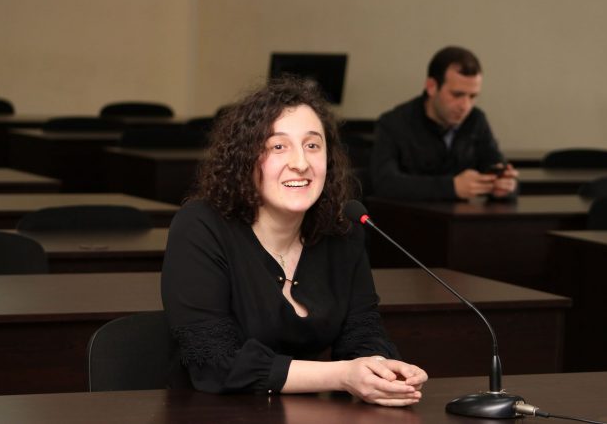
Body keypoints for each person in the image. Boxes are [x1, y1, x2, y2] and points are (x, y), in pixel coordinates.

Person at [161, 76, 428, 406]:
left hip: (304, 412)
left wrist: (379, 368)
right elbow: (216, 363)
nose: (301, 163)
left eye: (312, 146)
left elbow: (362, 330)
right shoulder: (201, 226)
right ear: (245, 158)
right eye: (278, 146)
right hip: (208, 413)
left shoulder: (342, 230)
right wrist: (342, 375)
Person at [370, 46, 519, 201]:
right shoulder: (393, 123)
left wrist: (505, 185)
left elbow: (497, 165)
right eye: (457, 94)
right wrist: (451, 187)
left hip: (461, 215)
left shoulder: (476, 119)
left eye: (472, 96)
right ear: (431, 87)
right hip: (407, 214)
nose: (465, 106)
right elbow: (384, 183)